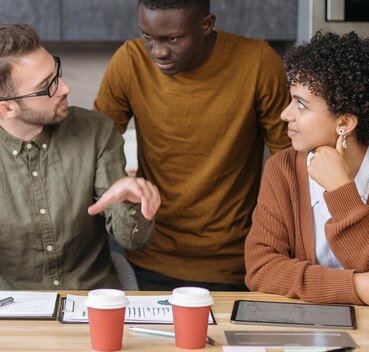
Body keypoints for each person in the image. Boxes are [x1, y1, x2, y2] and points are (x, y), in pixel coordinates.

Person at [0, 24, 160, 290]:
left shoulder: (97, 132)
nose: (65, 88)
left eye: (57, 74)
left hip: (91, 303)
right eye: (48, 86)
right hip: (11, 310)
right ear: (7, 108)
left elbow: (133, 240)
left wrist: (132, 201)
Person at [94, 0, 291, 291]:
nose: (158, 51)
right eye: (147, 36)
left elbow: (290, 160)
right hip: (150, 257)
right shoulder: (130, 60)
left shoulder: (258, 62)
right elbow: (96, 146)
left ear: (206, 25)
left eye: (172, 39)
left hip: (236, 263)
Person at [244, 31, 369, 309]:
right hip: (303, 331)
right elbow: (261, 269)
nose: (285, 115)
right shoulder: (282, 168)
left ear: (345, 123)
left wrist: (340, 190)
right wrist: (355, 287)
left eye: (301, 104)